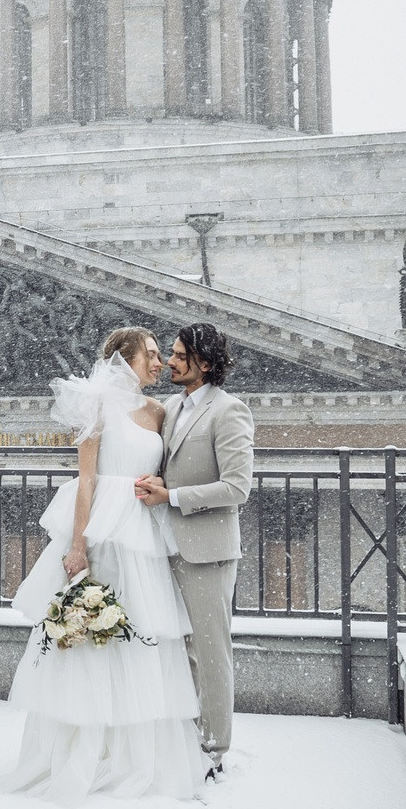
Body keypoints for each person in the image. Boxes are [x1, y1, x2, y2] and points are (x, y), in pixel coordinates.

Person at [0, 328, 204, 804]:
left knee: (141, 636)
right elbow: (86, 479)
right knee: (94, 636)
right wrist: (78, 546)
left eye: (161, 355)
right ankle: (86, 750)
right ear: (124, 359)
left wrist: (162, 488)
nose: (160, 363)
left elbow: (167, 471)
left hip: (143, 534)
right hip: (104, 533)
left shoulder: (159, 412)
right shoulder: (95, 405)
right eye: (151, 354)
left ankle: (135, 756)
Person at [135, 322, 254, 781]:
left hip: (208, 551)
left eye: (179, 355)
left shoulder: (229, 411)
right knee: (181, 650)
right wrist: (160, 483)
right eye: (169, 352)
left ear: (204, 363)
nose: (169, 361)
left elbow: (236, 487)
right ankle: (186, 738)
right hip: (168, 545)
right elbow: (175, 468)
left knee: (210, 652)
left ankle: (213, 750)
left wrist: (173, 496)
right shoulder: (171, 407)